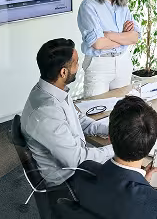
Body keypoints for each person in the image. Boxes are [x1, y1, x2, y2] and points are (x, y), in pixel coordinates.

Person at [21, 38, 113, 186]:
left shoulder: (52, 90)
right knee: (129, 175)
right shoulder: (46, 112)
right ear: (63, 72)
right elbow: (77, 160)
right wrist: (119, 148)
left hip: (77, 164)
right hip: (69, 182)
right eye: (76, 63)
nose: (79, 66)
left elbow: (78, 120)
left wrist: (112, 130)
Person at [77, 0, 140, 97]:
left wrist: (108, 34)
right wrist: (124, 37)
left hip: (123, 61)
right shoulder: (88, 6)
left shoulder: (123, 6)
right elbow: (98, 43)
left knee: (123, 111)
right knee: (96, 111)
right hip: (99, 64)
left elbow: (135, 37)